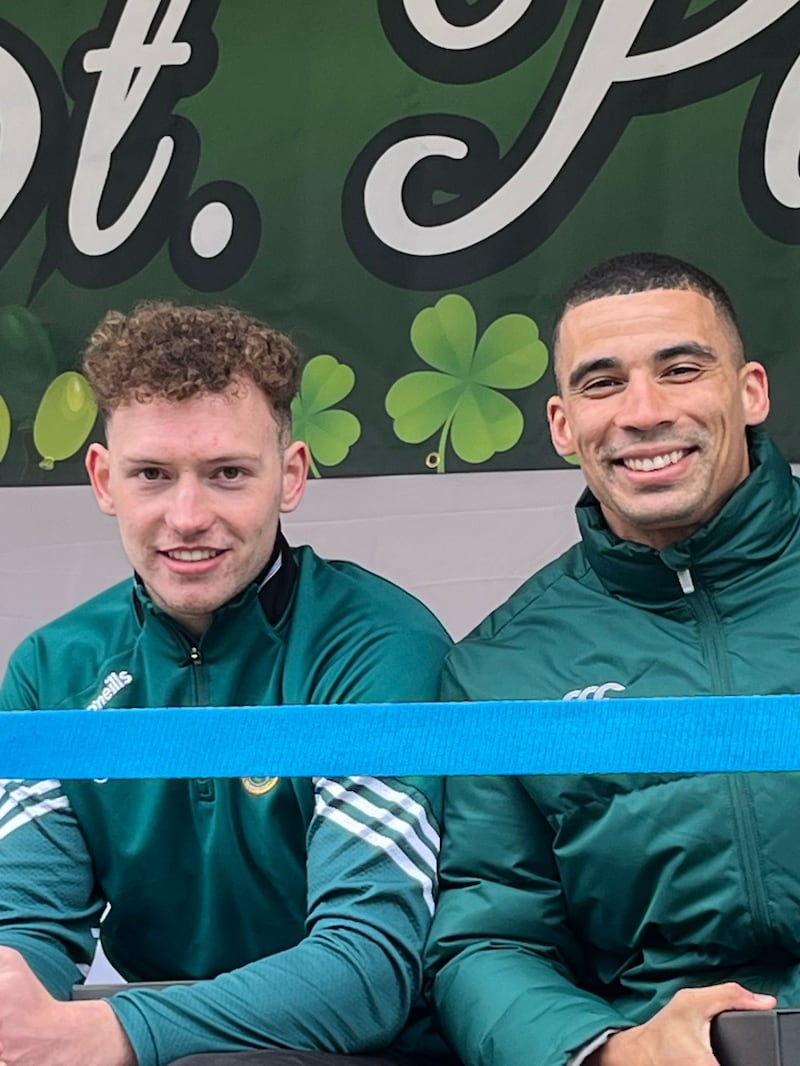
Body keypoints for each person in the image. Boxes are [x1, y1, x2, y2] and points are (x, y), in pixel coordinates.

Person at [0, 302, 452, 1066]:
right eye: (152, 475)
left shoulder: (377, 645)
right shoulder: (53, 667)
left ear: (292, 476)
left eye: (228, 474)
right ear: (105, 480)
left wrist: (119, 1031)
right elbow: (26, 930)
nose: (187, 516)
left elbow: (366, 971)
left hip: (364, 1052)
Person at [426, 252, 800, 1066]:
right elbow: (489, 940)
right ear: (563, 425)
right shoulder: (499, 668)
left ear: (751, 392)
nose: (644, 411)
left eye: (681, 369)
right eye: (602, 383)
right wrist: (606, 1050)